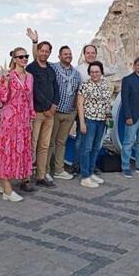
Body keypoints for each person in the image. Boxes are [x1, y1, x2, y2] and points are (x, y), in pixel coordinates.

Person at [0, 48, 35, 202]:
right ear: (14, 58)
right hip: (10, 120)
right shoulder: (9, 75)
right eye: (21, 56)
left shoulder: (30, 77)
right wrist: (5, 81)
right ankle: (7, 190)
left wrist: (31, 117)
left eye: (26, 56)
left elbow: (30, 99)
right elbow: (2, 98)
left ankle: (2, 182)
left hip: (23, 120)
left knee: (18, 152)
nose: (24, 59)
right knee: (7, 152)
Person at [26, 41, 59, 187]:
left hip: (50, 113)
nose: (44, 53)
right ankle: (26, 177)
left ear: (50, 53)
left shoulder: (51, 69)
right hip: (37, 112)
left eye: (47, 51)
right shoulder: (31, 68)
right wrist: (46, 106)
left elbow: (56, 88)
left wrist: (54, 105)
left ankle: (41, 176)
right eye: (42, 50)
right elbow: (34, 90)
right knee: (32, 145)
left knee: (44, 145)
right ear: (38, 51)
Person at [48, 46, 81, 181]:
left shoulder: (76, 73)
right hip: (55, 112)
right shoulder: (53, 68)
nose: (68, 56)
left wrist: (75, 110)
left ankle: (59, 169)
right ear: (59, 56)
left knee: (62, 142)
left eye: (69, 53)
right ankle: (45, 171)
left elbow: (77, 92)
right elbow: (38, 59)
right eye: (65, 54)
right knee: (50, 142)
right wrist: (35, 42)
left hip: (69, 113)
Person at [77, 61, 112, 188]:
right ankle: (85, 176)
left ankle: (91, 172)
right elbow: (80, 104)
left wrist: (108, 119)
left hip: (101, 121)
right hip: (89, 120)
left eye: (97, 72)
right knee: (87, 148)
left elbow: (107, 103)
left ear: (101, 72)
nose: (94, 74)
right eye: (92, 72)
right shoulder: (85, 85)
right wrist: (82, 123)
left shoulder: (105, 84)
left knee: (96, 148)